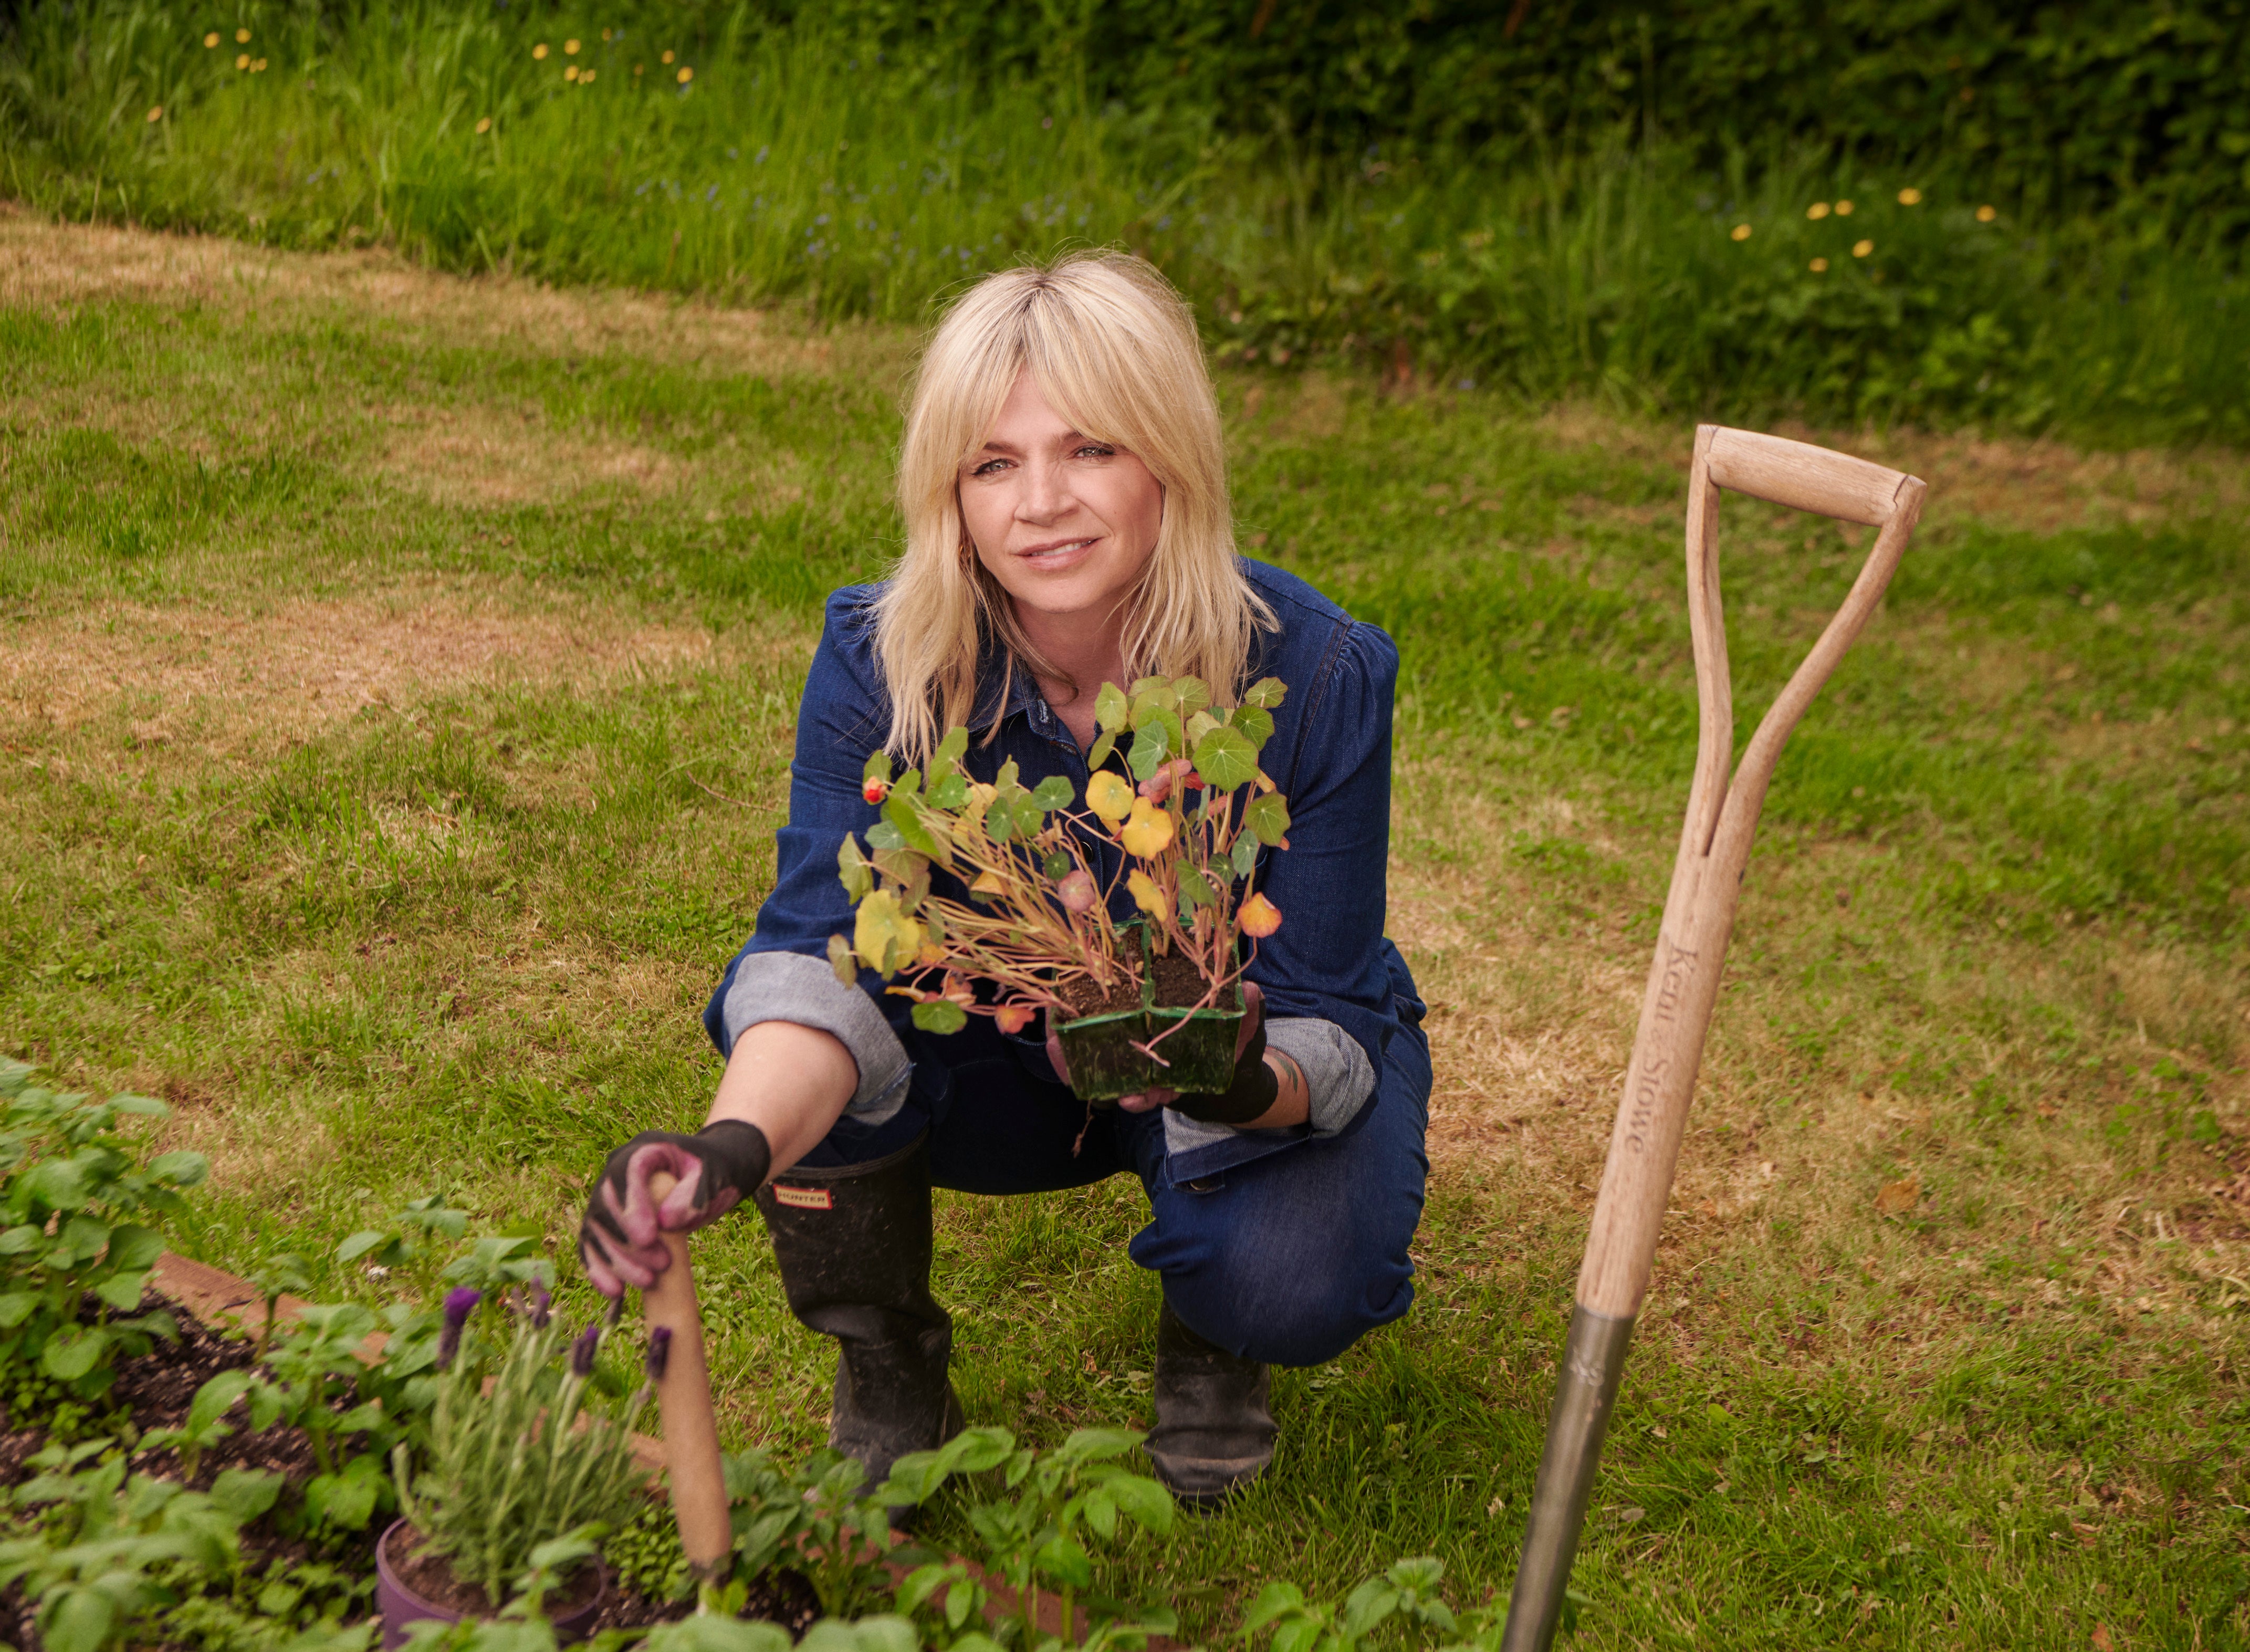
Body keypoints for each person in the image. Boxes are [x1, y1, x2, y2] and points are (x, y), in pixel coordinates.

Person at [579, 252, 1430, 1509]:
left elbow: (1323, 1006)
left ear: (1168, 462)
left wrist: (1232, 1069)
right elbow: (821, 952)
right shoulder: (888, 663)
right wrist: (730, 1145)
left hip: (1235, 1062)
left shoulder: (1314, 674)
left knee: (1290, 1276)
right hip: (990, 1056)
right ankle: (888, 1358)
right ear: (952, 494)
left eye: (1089, 449)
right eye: (993, 463)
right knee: (833, 1033)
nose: (1041, 503)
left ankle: (1215, 1329)